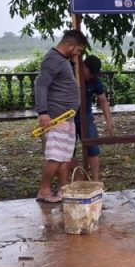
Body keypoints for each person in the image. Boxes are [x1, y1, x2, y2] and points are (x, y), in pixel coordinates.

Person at [34, 30, 87, 203]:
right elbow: (41, 85)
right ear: (70, 45)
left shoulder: (63, 61)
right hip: (56, 118)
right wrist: (43, 112)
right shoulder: (52, 59)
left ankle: (64, 188)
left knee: (65, 156)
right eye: (78, 51)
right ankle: (44, 190)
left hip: (67, 118)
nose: (78, 54)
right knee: (55, 157)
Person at [74, 54, 114, 181]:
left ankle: (95, 181)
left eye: (94, 74)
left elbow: (102, 100)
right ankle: (79, 179)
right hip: (68, 117)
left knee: (93, 148)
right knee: (68, 150)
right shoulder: (71, 75)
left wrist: (109, 121)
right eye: (90, 73)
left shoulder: (95, 80)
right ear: (83, 66)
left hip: (86, 116)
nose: (91, 76)